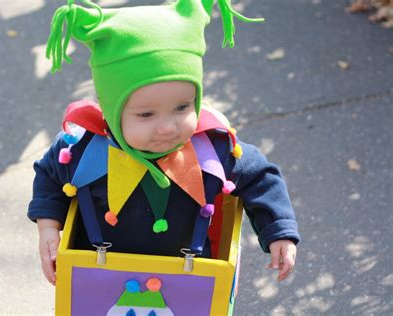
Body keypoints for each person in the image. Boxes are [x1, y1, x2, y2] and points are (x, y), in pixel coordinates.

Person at [28, 0, 301, 287]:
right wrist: (48, 226)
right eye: (146, 114)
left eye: (183, 107)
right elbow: (48, 175)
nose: (168, 127)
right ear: (110, 109)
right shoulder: (83, 149)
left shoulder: (212, 147)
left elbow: (261, 176)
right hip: (100, 281)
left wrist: (278, 230)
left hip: (187, 282)